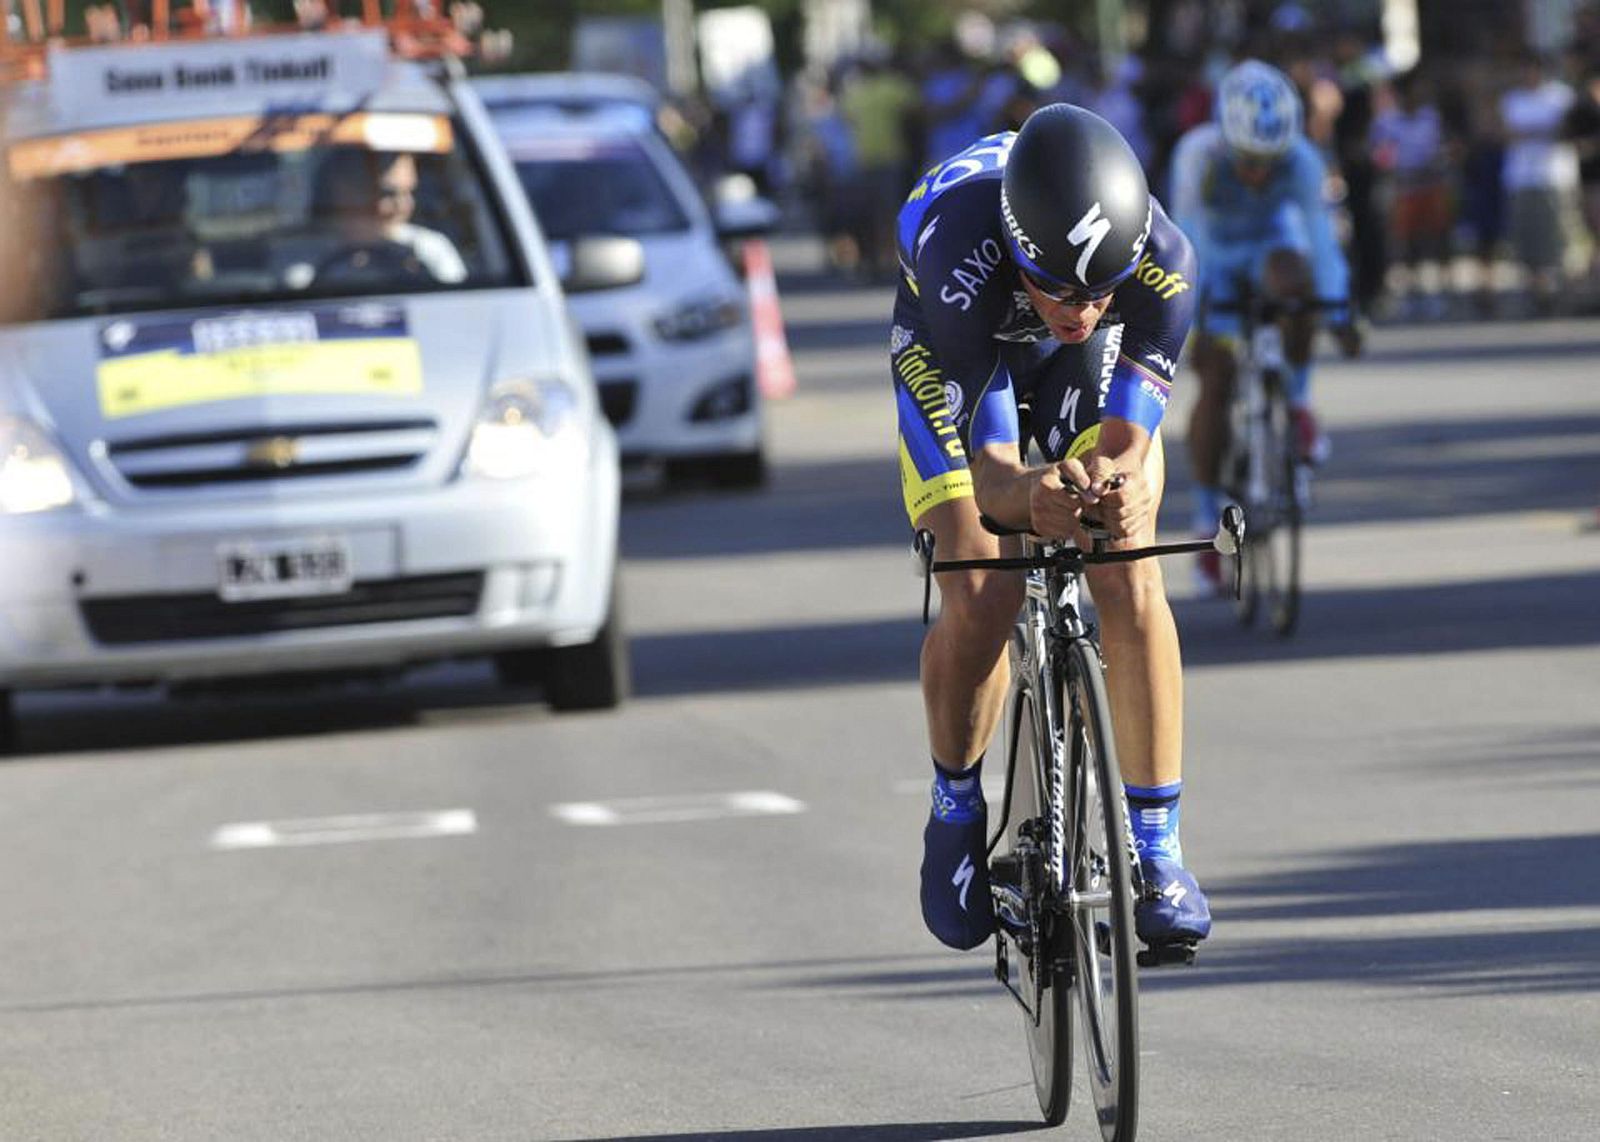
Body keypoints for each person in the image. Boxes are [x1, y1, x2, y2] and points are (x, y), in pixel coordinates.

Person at [893, 104, 1210, 953]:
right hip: (955, 341)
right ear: (1024, 256)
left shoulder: (1164, 266)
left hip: (1076, 371)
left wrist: (1119, 487)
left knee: (1128, 558)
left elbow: (1128, 441)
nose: (1080, 307)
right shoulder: (962, 251)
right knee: (983, 574)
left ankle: (1157, 850)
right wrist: (1028, 496)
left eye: (1102, 289)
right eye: (1062, 289)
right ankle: (956, 804)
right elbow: (995, 472)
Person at [1169, 59, 1361, 595]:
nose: (1257, 172)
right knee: (1216, 376)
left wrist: (1340, 310)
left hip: (1272, 251)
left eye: (1267, 162)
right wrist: (1201, 315)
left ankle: (1296, 402)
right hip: (1215, 256)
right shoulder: (1198, 154)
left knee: (1300, 284)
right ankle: (1208, 518)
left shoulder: (1301, 159)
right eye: (1248, 159)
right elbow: (1187, 240)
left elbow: (1322, 241)